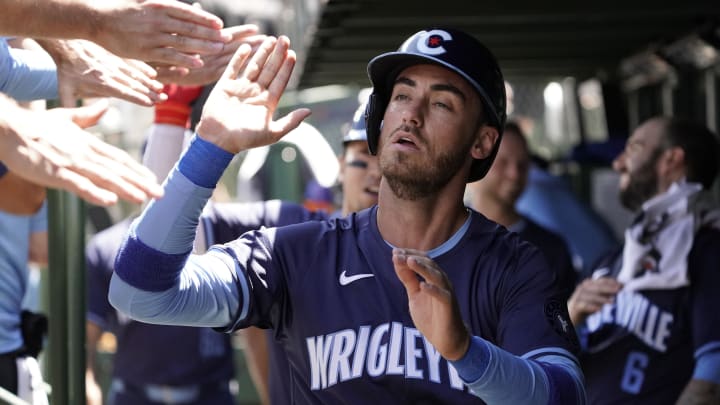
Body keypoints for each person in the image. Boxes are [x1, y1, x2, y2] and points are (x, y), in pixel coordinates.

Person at [110, 30, 585, 403]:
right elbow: (139, 293)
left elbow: (564, 395)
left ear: (482, 142)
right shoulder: (293, 253)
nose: (411, 115)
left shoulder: (514, 266)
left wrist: (465, 351)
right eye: (401, 96)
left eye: (441, 103)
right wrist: (211, 147)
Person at [567, 116, 720, 404]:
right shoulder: (614, 259)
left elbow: (712, 376)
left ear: (671, 160)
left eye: (633, 148)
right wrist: (571, 314)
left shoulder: (706, 252)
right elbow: (554, 361)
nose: (618, 163)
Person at [467, 121, 577, 300]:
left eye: (522, 165)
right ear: (475, 163)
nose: (514, 174)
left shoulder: (549, 249)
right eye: (502, 163)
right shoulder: (445, 237)